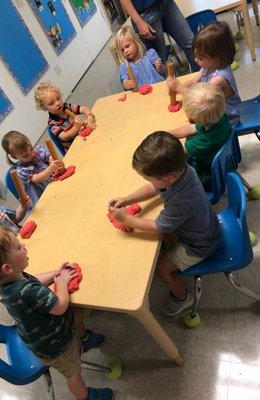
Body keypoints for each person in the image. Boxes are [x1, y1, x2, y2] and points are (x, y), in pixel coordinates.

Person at [0, 227, 113, 400]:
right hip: (56, 346)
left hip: (39, 337)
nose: (24, 246)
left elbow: (33, 279)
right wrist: (62, 283)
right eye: (18, 247)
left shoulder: (7, 282)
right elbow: (60, 306)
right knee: (74, 374)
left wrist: (56, 273)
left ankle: (83, 340)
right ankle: (86, 396)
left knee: (76, 313)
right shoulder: (26, 291)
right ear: (6, 268)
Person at [108, 132, 220, 316]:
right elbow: (155, 187)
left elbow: (159, 227)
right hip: (204, 226)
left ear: (168, 178)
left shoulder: (181, 200)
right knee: (162, 242)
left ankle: (183, 297)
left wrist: (127, 219)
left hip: (201, 245)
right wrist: (128, 199)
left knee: (160, 267)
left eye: (148, 178)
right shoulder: (182, 170)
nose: (148, 182)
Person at [167, 21, 242, 127]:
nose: (195, 60)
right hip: (213, 114)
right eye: (195, 56)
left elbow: (200, 98)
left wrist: (178, 88)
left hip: (227, 120)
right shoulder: (208, 66)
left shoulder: (218, 79)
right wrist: (176, 87)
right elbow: (193, 81)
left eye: (201, 57)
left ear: (217, 57)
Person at [170, 82, 232, 191]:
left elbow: (179, 150)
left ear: (192, 118)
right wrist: (169, 134)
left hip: (207, 177)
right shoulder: (219, 117)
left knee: (171, 179)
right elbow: (193, 128)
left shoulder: (204, 141)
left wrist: (165, 140)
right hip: (224, 163)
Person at [119, 0, 198, 71]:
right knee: (158, 62)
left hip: (167, 4)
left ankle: (204, 82)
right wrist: (139, 22)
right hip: (145, 13)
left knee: (191, 45)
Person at [2, 131, 64, 207]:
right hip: (43, 197)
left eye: (31, 148)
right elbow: (37, 178)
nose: (32, 154)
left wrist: (52, 161)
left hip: (56, 184)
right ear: (15, 157)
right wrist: (51, 168)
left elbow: (49, 157)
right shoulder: (22, 170)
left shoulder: (38, 151)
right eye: (26, 155)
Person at [35, 82, 96, 151]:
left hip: (84, 138)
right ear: (44, 108)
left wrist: (90, 119)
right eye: (51, 103)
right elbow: (65, 137)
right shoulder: (53, 124)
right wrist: (76, 127)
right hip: (75, 149)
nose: (57, 103)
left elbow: (84, 109)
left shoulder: (67, 107)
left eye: (58, 98)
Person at [115, 25, 165, 90]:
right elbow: (125, 83)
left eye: (127, 46)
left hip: (159, 88)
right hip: (141, 95)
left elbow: (162, 71)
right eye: (122, 50)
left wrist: (160, 67)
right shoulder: (124, 66)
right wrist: (127, 84)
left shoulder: (150, 54)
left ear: (136, 42)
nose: (125, 51)